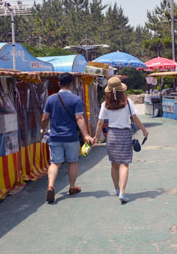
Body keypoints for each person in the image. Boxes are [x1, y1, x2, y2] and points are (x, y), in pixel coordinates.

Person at [41, 72, 95, 204]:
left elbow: (45, 118)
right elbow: (79, 118)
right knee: (72, 162)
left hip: (54, 136)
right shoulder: (76, 100)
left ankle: (51, 186)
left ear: (59, 84)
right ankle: (72, 187)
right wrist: (86, 135)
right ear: (72, 84)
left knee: (55, 163)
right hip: (71, 136)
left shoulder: (51, 99)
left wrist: (43, 130)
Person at [95, 76, 149, 204]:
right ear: (121, 89)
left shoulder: (105, 104)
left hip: (112, 135)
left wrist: (96, 137)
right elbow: (135, 118)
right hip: (125, 134)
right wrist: (144, 130)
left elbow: (100, 122)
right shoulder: (127, 102)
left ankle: (117, 189)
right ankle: (123, 192)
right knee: (124, 164)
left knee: (114, 164)